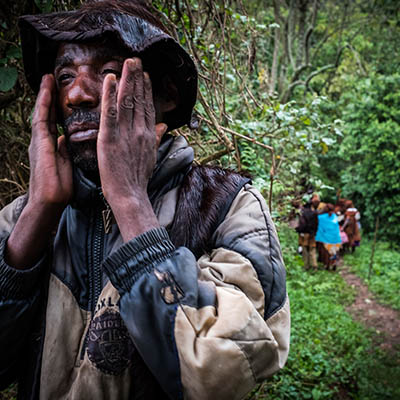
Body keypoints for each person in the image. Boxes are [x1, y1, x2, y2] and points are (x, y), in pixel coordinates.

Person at [0, 1, 290, 399]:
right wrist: (36, 216)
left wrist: (130, 199)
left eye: (107, 73)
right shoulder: (22, 216)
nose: (79, 94)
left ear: (166, 96)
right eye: (65, 76)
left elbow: (220, 372)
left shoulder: (229, 206)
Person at [315, 204, 342, 270]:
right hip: (331, 238)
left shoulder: (329, 217)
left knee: (330, 252)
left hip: (330, 238)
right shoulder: (329, 217)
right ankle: (330, 263)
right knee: (330, 252)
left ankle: (330, 264)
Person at [296, 194, 319, 270]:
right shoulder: (314, 213)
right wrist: (314, 232)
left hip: (304, 233)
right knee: (312, 249)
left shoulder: (302, 213)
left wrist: (299, 231)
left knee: (305, 250)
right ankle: (314, 265)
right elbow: (316, 224)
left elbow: (301, 224)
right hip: (312, 234)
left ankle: (306, 266)